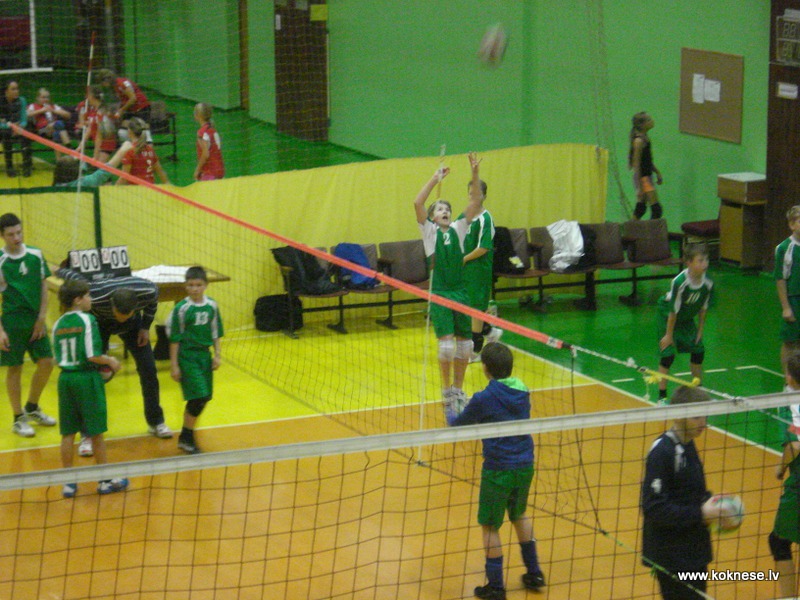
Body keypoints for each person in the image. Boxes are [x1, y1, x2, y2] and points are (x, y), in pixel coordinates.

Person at [445, 342, 545, 599]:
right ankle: (534, 573)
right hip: (525, 464)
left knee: (490, 525)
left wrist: (451, 409)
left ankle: (496, 587)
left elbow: (459, 424)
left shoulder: (483, 398)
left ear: (485, 368)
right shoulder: (522, 390)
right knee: (519, 514)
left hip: (498, 469)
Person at [56, 264, 173, 456]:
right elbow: (75, 279)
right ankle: (87, 434)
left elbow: (153, 301)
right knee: (93, 378)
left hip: (134, 327)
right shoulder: (95, 295)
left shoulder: (148, 291)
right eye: (119, 316)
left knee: (149, 369)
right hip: (100, 324)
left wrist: (145, 327)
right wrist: (58, 270)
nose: (121, 320)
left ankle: (156, 422)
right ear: (112, 306)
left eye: (126, 316)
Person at [641, 385, 732, 599]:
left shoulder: (688, 444)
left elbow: (690, 492)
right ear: (679, 416)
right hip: (672, 555)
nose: (703, 423)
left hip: (693, 550)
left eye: (705, 416)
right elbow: (653, 507)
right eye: (696, 417)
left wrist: (715, 506)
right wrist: (702, 512)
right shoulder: (662, 452)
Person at [415, 153, 483, 411]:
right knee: (445, 347)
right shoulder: (429, 231)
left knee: (465, 346)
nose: (445, 212)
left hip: (460, 292)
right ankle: (446, 392)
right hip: (441, 293)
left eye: (448, 209)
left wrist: (474, 172)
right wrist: (435, 178)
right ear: (433, 217)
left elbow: (476, 200)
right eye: (440, 209)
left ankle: (457, 390)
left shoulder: (458, 229)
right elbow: (417, 202)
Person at [53, 279, 128, 498]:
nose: (90, 299)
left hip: (65, 379)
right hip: (86, 379)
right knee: (96, 433)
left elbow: (57, 358)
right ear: (78, 300)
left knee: (67, 433)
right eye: (87, 296)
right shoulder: (87, 320)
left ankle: (68, 484)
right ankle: (104, 481)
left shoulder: (58, 324)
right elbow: (92, 355)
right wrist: (110, 361)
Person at [0, 213, 55, 437]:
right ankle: (17, 418)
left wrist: (42, 318)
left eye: (19, 232)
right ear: (2, 236)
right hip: (12, 321)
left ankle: (32, 407)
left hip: (36, 321)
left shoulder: (35, 254)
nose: (17, 237)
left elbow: (44, 287)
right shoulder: (1, 261)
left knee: (47, 362)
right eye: (11, 234)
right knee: (15, 368)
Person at [167, 266, 223, 454]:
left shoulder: (212, 305)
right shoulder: (181, 309)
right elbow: (175, 339)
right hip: (187, 357)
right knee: (198, 396)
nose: (195, 289)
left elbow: (216, 332)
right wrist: (174, 365)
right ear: (185, 286)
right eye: (191, 285)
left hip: (204, 356)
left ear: (206, 285)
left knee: (204, 397)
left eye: (198, 285)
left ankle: (185, 436)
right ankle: (187, 438)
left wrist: (217, 355)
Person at [656, 245, 713, 401]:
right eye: (700, 261)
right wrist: (669, 335)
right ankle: (662, 397)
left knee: (698, 350)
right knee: (668, 354)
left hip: (686, 318)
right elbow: (673, 311)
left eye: (706, 260)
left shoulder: (708, 282)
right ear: (689, 263)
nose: (705, 264)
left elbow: (703, 308)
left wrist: (700, 331)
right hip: (667, 314)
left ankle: (698, 391)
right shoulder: (680, 282)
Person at [460, 160, 501, 361]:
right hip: (465, 269)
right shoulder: (465, 215)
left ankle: (476, 350)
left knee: (475, 309)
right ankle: (490, 331)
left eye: (476, 194)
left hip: (478, 269)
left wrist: (464, 259)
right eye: (470, 194)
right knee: (467, 308)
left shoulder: (486, 219)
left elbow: (483, 247)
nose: (473, 197)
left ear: (484, 196)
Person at [770, 351, 800, 598]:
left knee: (778, 541)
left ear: (790, 377)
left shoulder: (789, 402)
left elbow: (794, 445)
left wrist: (780, 468)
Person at [775, 205, 800, 376]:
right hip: (794, 299)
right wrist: (786, 307)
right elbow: (780, 279)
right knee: (790, 341)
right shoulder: (785, 248)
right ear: (792, 224)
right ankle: (788, 379)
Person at [629, 111, 664, 220]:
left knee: (641, 208)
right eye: (649, 120)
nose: (652, 121)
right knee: (656, 209)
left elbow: (647, 160)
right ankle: (650, 229)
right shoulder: (639, 141)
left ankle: (630, 227)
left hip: (647, 176)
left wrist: (657, 172)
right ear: (642, 125)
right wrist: (640, 187)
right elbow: (636, 164)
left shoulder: (645, 138)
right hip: (643, 179)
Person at [53, 141, 133, 187]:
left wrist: (77, 158)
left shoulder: (56, 186)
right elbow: (105, 171)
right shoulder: (83, 183)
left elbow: (82, 169)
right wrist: (123, 149)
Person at [116, 117, 169, 185]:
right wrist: (168, 185)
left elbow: (124, 177)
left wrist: (114, 189)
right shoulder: (150, 150)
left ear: (129, 131)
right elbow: (160, 171)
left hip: (136, 189)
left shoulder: (129, 150)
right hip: (150, 188)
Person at [26, 87, 72, 161]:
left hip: (54, 129)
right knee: (59, 124)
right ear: (38, 98)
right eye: (43, 97)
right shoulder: (33, 106)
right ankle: (69, 148)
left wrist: (53, 110)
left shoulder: (52, 106)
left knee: (57, 132)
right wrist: (41, 110)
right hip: (42, 131)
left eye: (47, 97)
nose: (46, 99)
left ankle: (58, 160)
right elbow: (26, 114)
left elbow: (68, 115)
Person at [0, 80, 32, 177]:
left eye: (17, 89)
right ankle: (9, 167)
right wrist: (10, 126)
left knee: (27, 133)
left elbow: (24, 119)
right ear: (6, 91)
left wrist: (20, 127)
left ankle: (27, 166)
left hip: (18, 128)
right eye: (13, 89)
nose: (16, 91)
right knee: (5, 134)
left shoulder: (21, 100)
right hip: (5, 129)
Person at [193, 102, 225, 181]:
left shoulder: (202, 133)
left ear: (198, 116)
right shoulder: (213, 130)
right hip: (220, 170)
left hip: (210, 172)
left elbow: (205, 154)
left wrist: (197, 170)